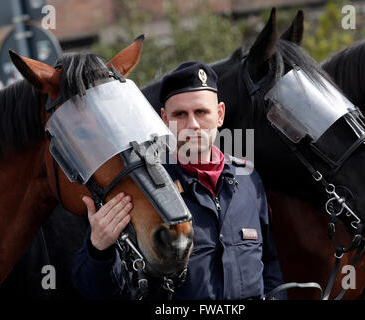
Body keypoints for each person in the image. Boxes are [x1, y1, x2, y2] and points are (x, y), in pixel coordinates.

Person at [72, 61, 285, 300]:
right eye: (180, 114)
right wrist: (98, 248)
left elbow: (269, 263)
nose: (192, 124)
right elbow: (95, 290)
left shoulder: (248, 179)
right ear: (164, 119)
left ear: (220, 115)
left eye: (201, 112)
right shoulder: (143, 190)